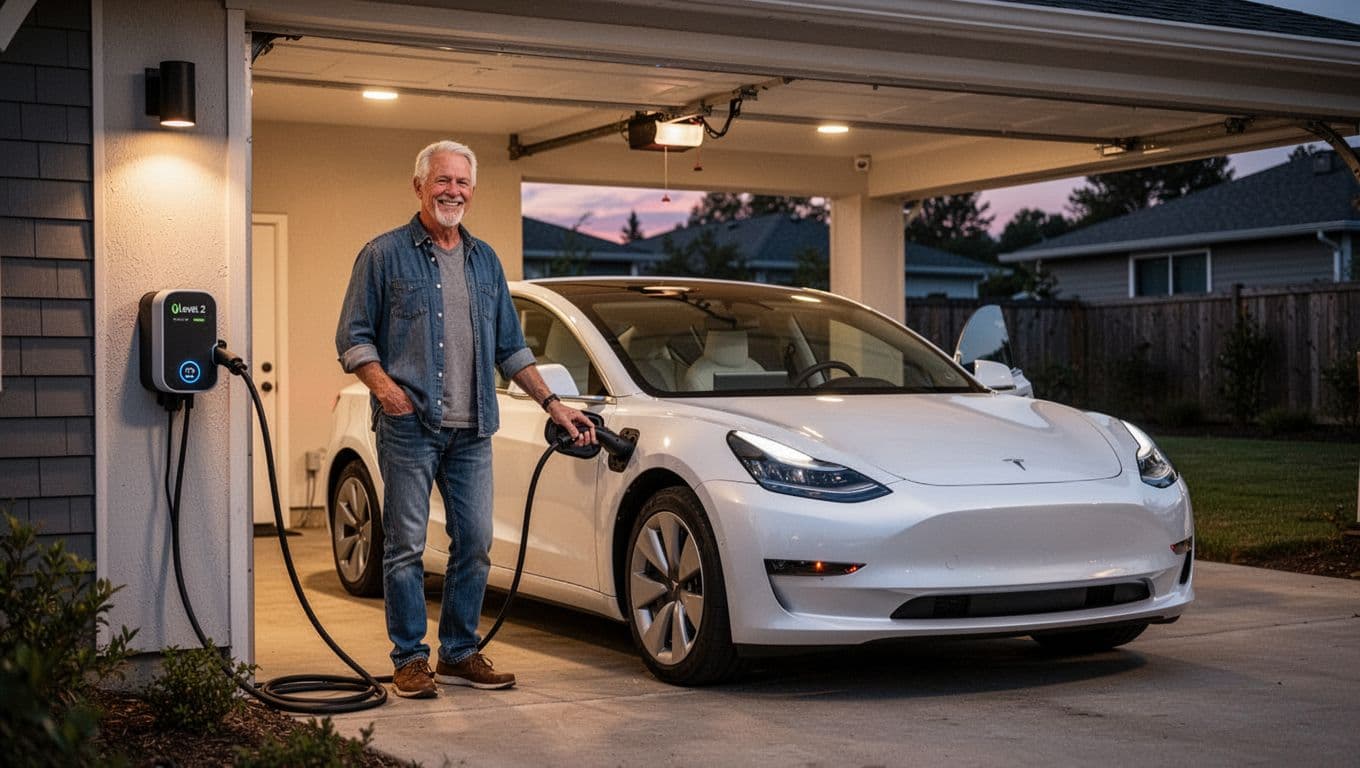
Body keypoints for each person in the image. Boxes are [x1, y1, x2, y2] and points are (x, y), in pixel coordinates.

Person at [335, 139, 596, 698]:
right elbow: (353, 339)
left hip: (474, 427)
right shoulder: (383, 256)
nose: (453, 191)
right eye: (443, 181)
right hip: (409, 426)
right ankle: (409, 659)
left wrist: (554, 403)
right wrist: (387, 392)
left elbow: (512, 348)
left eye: (462, 183)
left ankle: (458, 652)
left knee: (475, 541)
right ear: (419, 186)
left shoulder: (485, 261)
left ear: (471, 191)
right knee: (404, 545)